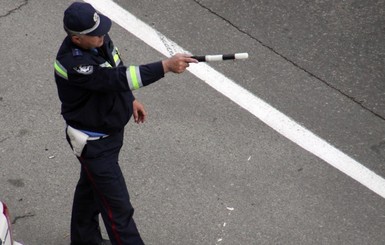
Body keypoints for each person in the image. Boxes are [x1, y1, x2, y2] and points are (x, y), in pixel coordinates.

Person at [54, 2, 198, 245]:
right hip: (95, 145)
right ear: (77, 39)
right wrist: (165, 67)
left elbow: (115, 67)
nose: (102, 35)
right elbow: (114, 78)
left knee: (91, 190)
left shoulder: (98, 38)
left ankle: (83, 240)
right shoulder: (75, 64)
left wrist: (129, 99)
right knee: (118, 210)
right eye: (95, 34)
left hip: (108, 135)